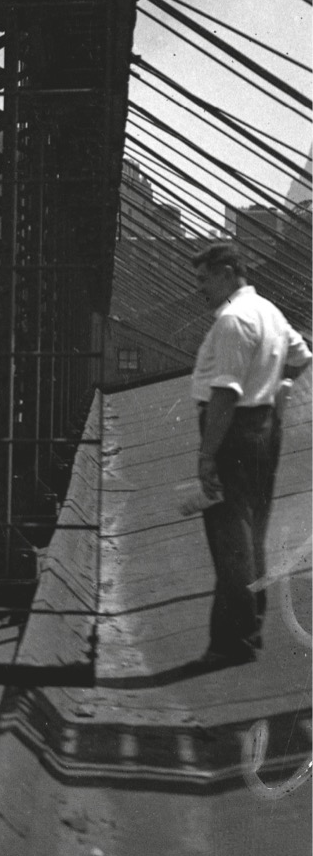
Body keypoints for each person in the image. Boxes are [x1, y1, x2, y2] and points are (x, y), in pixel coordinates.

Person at [190, 243, 310, 665]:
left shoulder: (232, 320)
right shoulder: (269, 312)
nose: (200, 288)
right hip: (264, 430)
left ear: (226, 273)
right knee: (253, 528)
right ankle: (252, 627)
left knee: (229, 539)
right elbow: (301, 355)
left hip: (232, 432)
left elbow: (224, 395)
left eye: (205, 279)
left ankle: (230, 643)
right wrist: (274, 386)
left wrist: (207, 456)